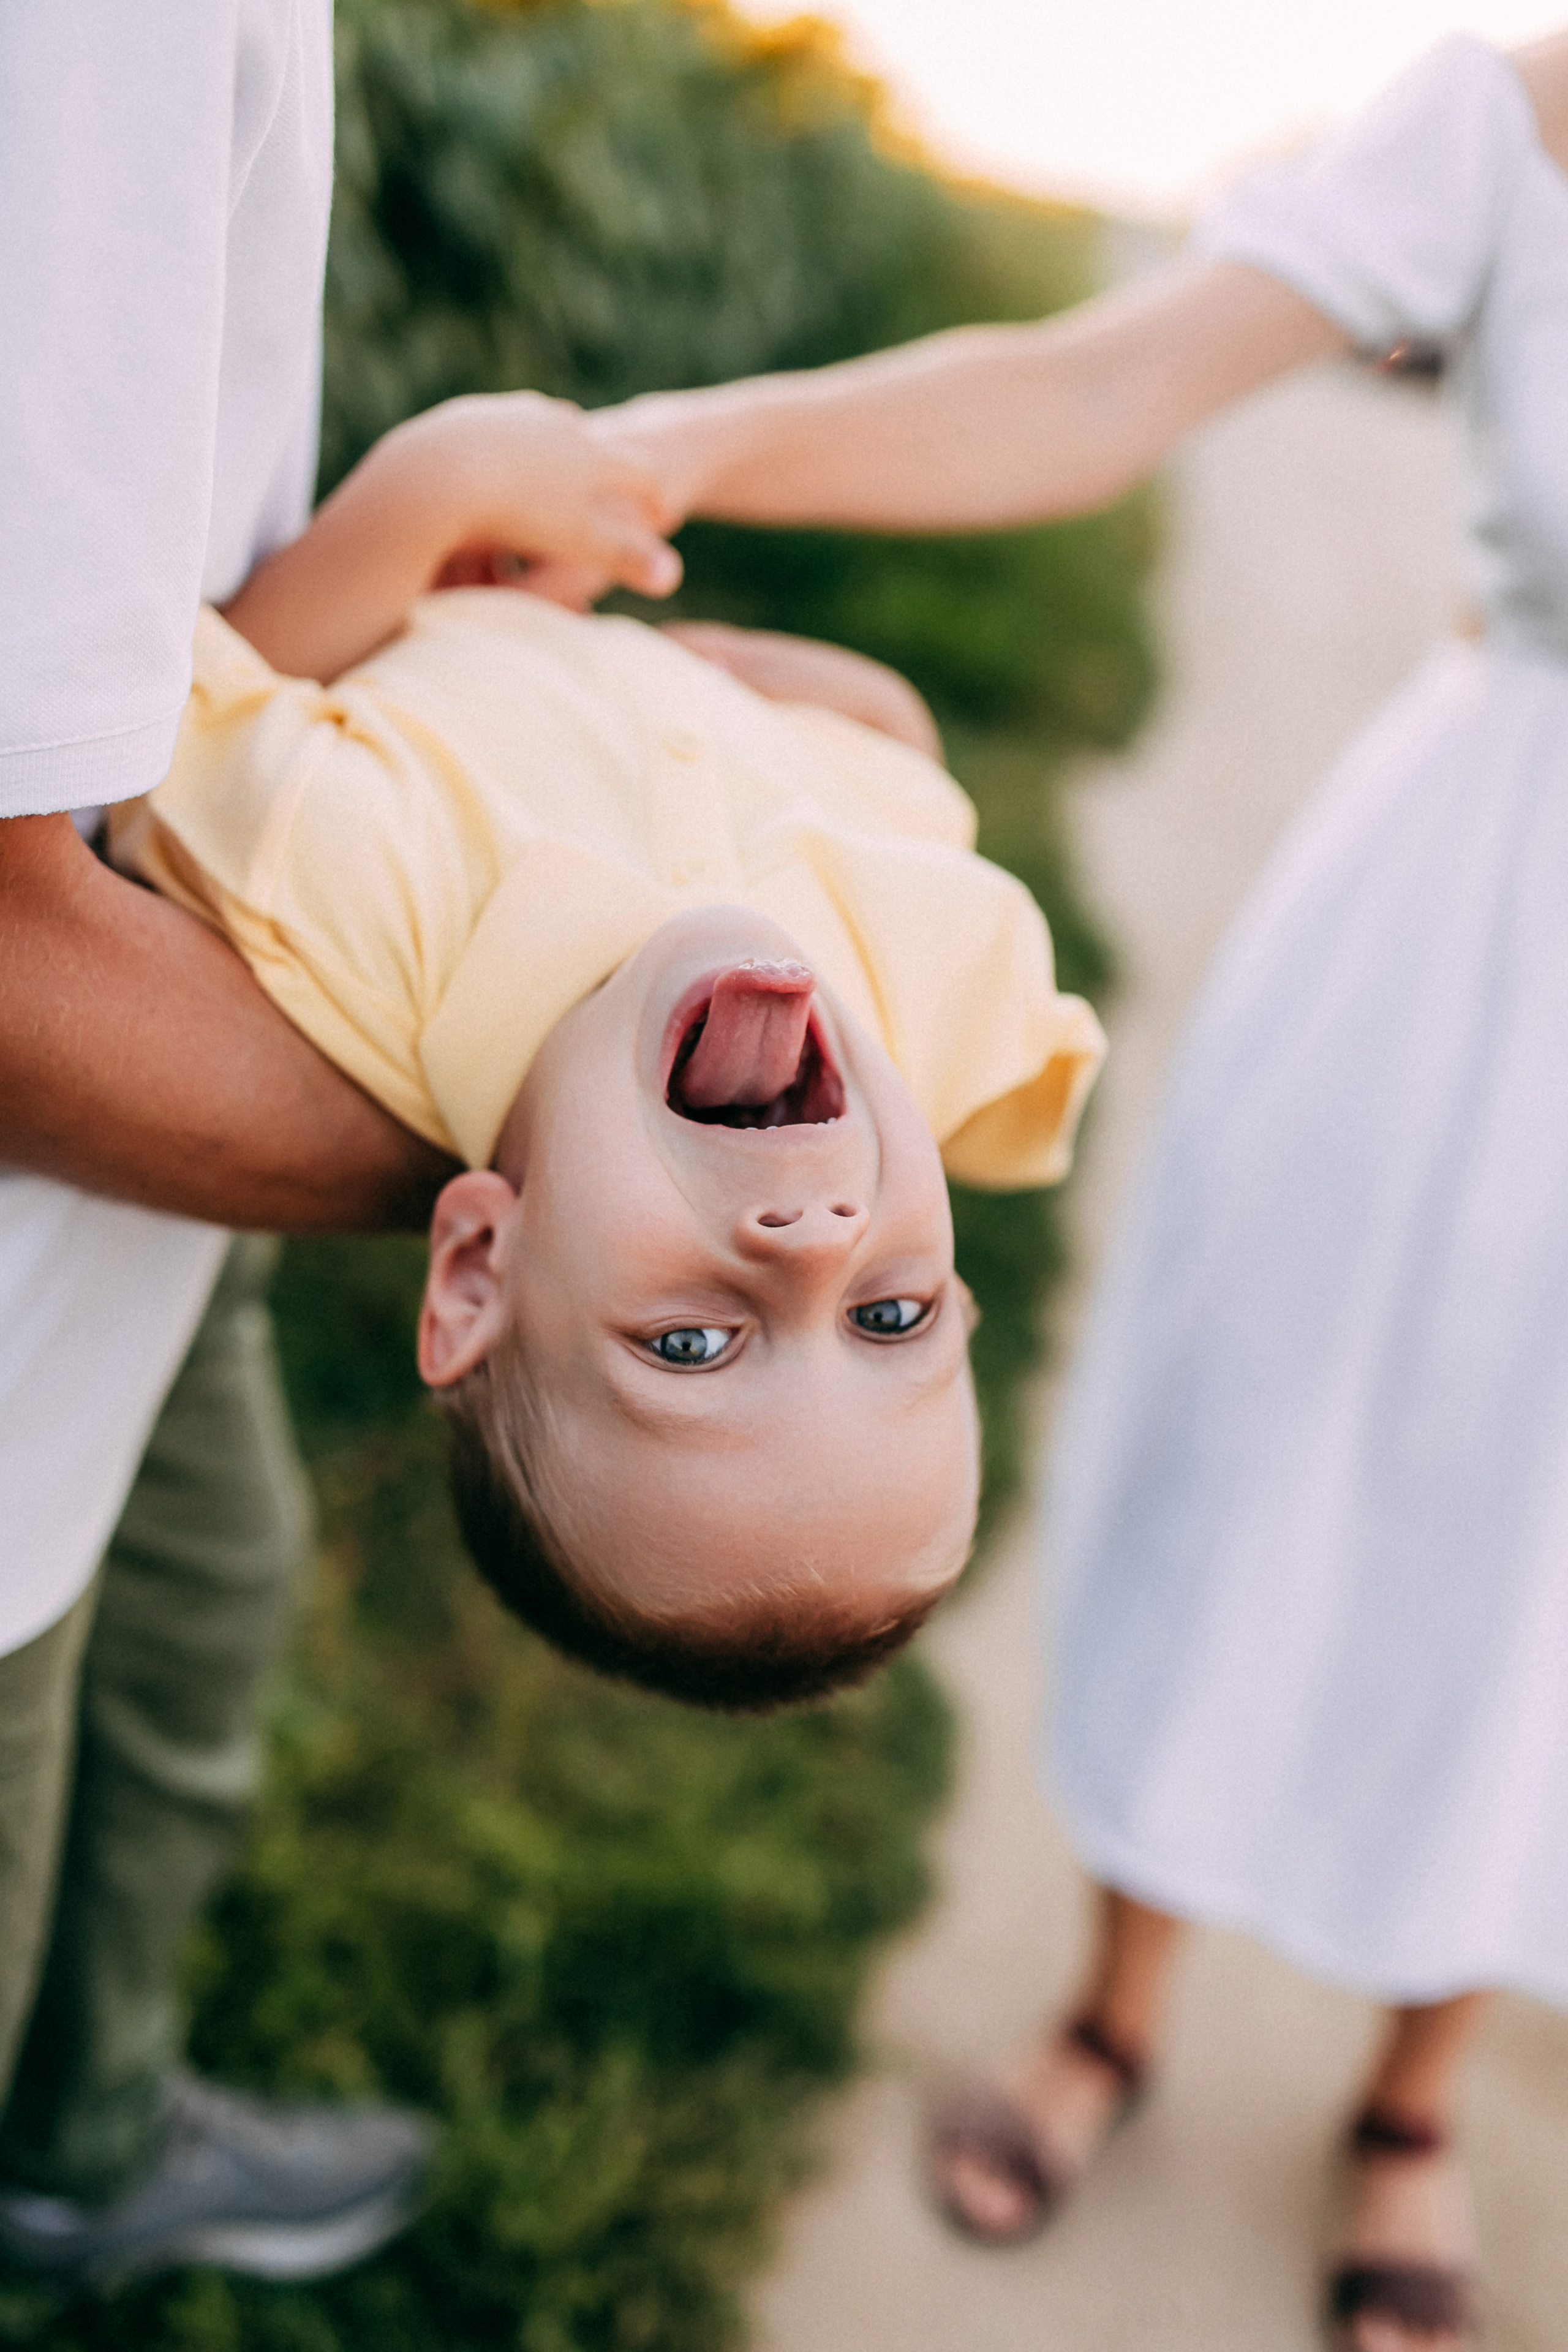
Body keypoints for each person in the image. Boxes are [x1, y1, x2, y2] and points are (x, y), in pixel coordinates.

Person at [590, 26, 1568, 2346]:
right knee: (1261, 1439)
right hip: (1467, 916)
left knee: (1550, 1563)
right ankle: (1119, 2002)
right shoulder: (1529, 106)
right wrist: (669, 441)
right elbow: (1096, 387)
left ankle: (1414, 2088)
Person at [0, 3, 678, 2295]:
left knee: (200, 1605)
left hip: (107, 1205)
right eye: (868, 1309)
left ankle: (85, 2131)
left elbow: (121, 768)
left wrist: (398, 520)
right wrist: (592, 1200)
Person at [110, 416, 1104, 1709]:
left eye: (689, 1344)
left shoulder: (368, 916)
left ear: (479, 1268)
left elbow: (191, 710)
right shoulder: (947, 994)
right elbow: (899, 758)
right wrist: (778, 691)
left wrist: (424, 504)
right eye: (889, 1315)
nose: (813, 1240)